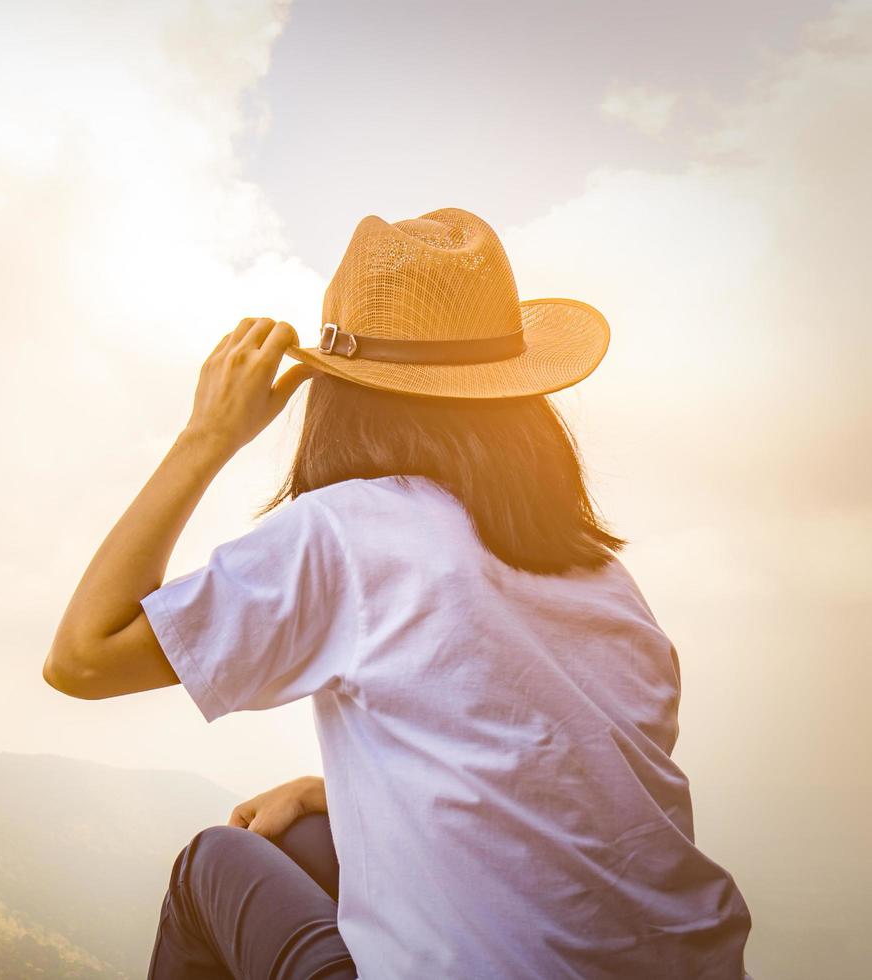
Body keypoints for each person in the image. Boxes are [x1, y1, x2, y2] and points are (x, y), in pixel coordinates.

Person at [43, 208, 753, 979]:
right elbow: (568, 789)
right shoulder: (602, 574)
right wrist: (341, 794)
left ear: (342, 393)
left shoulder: (348, 533)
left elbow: (83, 658)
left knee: (212, 864)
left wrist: (207, 436)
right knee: (305, 840)